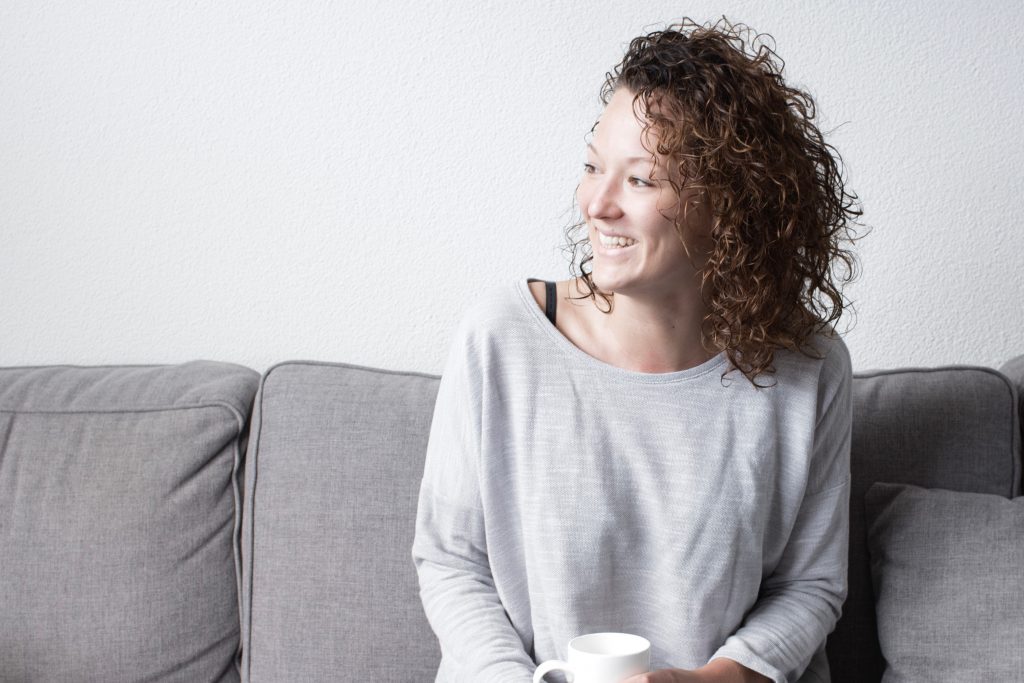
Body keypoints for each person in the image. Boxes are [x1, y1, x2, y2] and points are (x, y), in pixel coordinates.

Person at [412, 16, 862, 683]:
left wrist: (712, 680)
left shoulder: (809, 365)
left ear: (728, 206)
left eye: (641, 180)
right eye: (594, 167)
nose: (596, 202)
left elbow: (811, 584)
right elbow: (451, 560)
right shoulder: (500, 338)